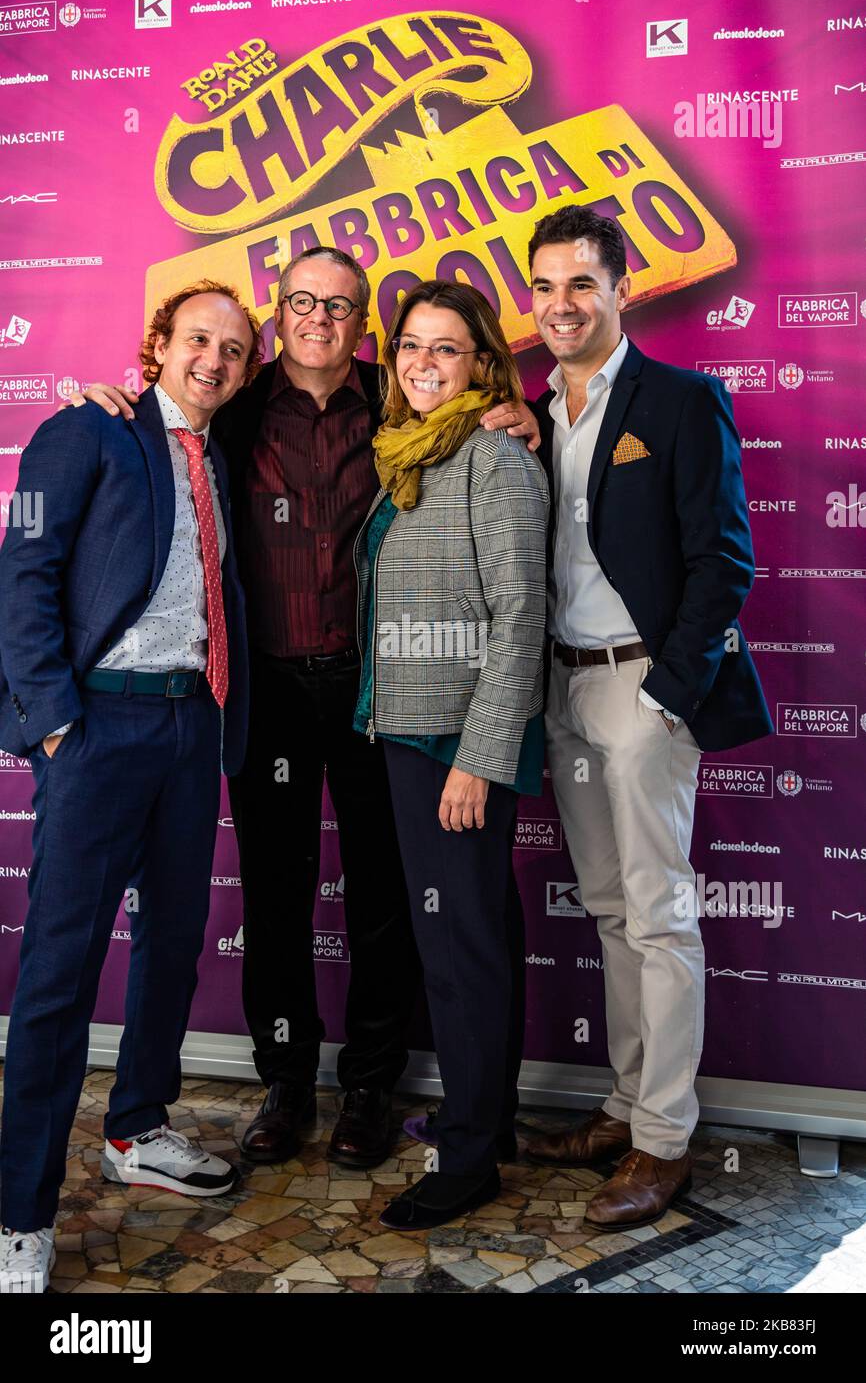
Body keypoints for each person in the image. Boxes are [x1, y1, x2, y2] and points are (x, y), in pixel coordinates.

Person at [75, 248, 541, 1170]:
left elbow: (497, 480)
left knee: (384, 898)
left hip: (380, 695)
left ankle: (371, 1085)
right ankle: (286, 1083)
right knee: (277, 897)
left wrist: (524, 418)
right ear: (278, 315)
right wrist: (110, 401)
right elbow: (155, 425)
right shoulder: (233, 410)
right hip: (270, 691)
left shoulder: (405, 402)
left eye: (339, 305)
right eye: (300, 301)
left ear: (364, 325)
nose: (318, 318)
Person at [0, 282, 260, 1292]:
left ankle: (137, 1126)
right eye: (198, 339)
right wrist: (57, 722)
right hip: (99, 727)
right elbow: (20, 576)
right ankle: (20, 1211)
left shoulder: (218, 458)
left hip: (192, 722)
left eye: (234, 350)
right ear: (157, 344)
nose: (214, 360)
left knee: (172, 940)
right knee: (60, 972)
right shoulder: (85, 430)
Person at [522, 206, 772, 1230]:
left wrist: (667, 695)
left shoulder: (679, 401)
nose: (559, 305)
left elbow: (724, 561)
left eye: (580, 284)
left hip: (641, 691)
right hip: (561, 689)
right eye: (542, 287)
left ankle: (663, 1139)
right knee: (611, 908)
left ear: (620, 288)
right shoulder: (525, 416)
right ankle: (624, 1108)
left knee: (659, 913)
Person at [353, 280, 549, 1230]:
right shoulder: (412, 456)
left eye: (448, 350)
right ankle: (489, 1119)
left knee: (457, 950)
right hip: (410, 729)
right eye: (412, 349)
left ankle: (467, 1158)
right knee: (476, 935)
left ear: (483, 364)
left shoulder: (494, 460)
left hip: (453, 743)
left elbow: (520, 618)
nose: (426, 365)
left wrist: (479, 757)